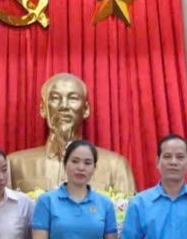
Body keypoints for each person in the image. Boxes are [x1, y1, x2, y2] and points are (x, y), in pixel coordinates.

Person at [7, 72, 136, 195]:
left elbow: (126, 215)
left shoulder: (115, 166)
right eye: (55, 98)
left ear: (86, 109)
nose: (64, 106)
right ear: (43, 109)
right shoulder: (14, 164)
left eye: (73, 98)